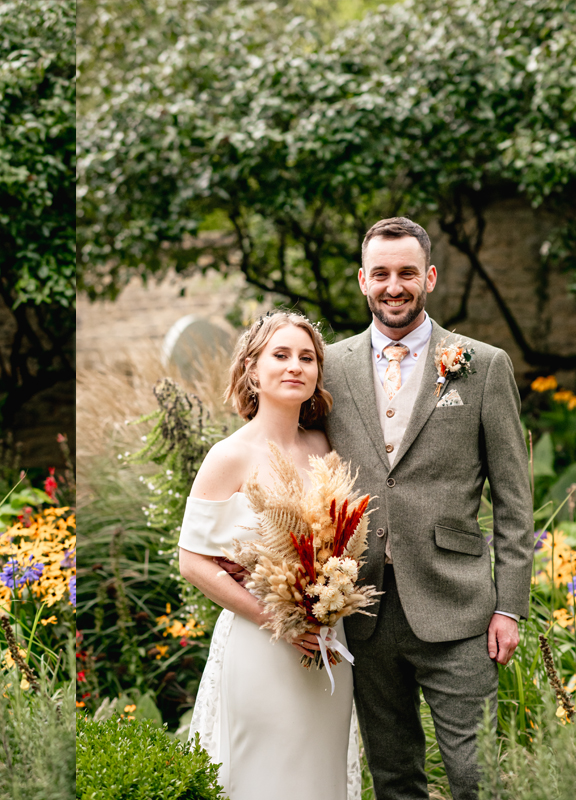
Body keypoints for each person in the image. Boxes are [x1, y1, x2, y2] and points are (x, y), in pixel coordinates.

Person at [323, 217, 534, 800]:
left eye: (407, 273)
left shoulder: (481, 365)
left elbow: (515, 503)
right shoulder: (330, 367)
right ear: (363, 280)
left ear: (430, 277)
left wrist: (509, 608)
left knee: (476, 776)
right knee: (393, 779)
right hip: (364, 610)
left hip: (460, 608)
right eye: (382, 273)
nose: (395, 286)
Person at [179, 311, 357, 799]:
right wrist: (280, 620)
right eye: (280, 355)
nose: (295, 366)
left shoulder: (325, 446)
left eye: (307, 357)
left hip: (327, 643)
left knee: (319, 776)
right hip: (263, 643)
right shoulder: (229, 456)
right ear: (252, 370)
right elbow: (192, 562)